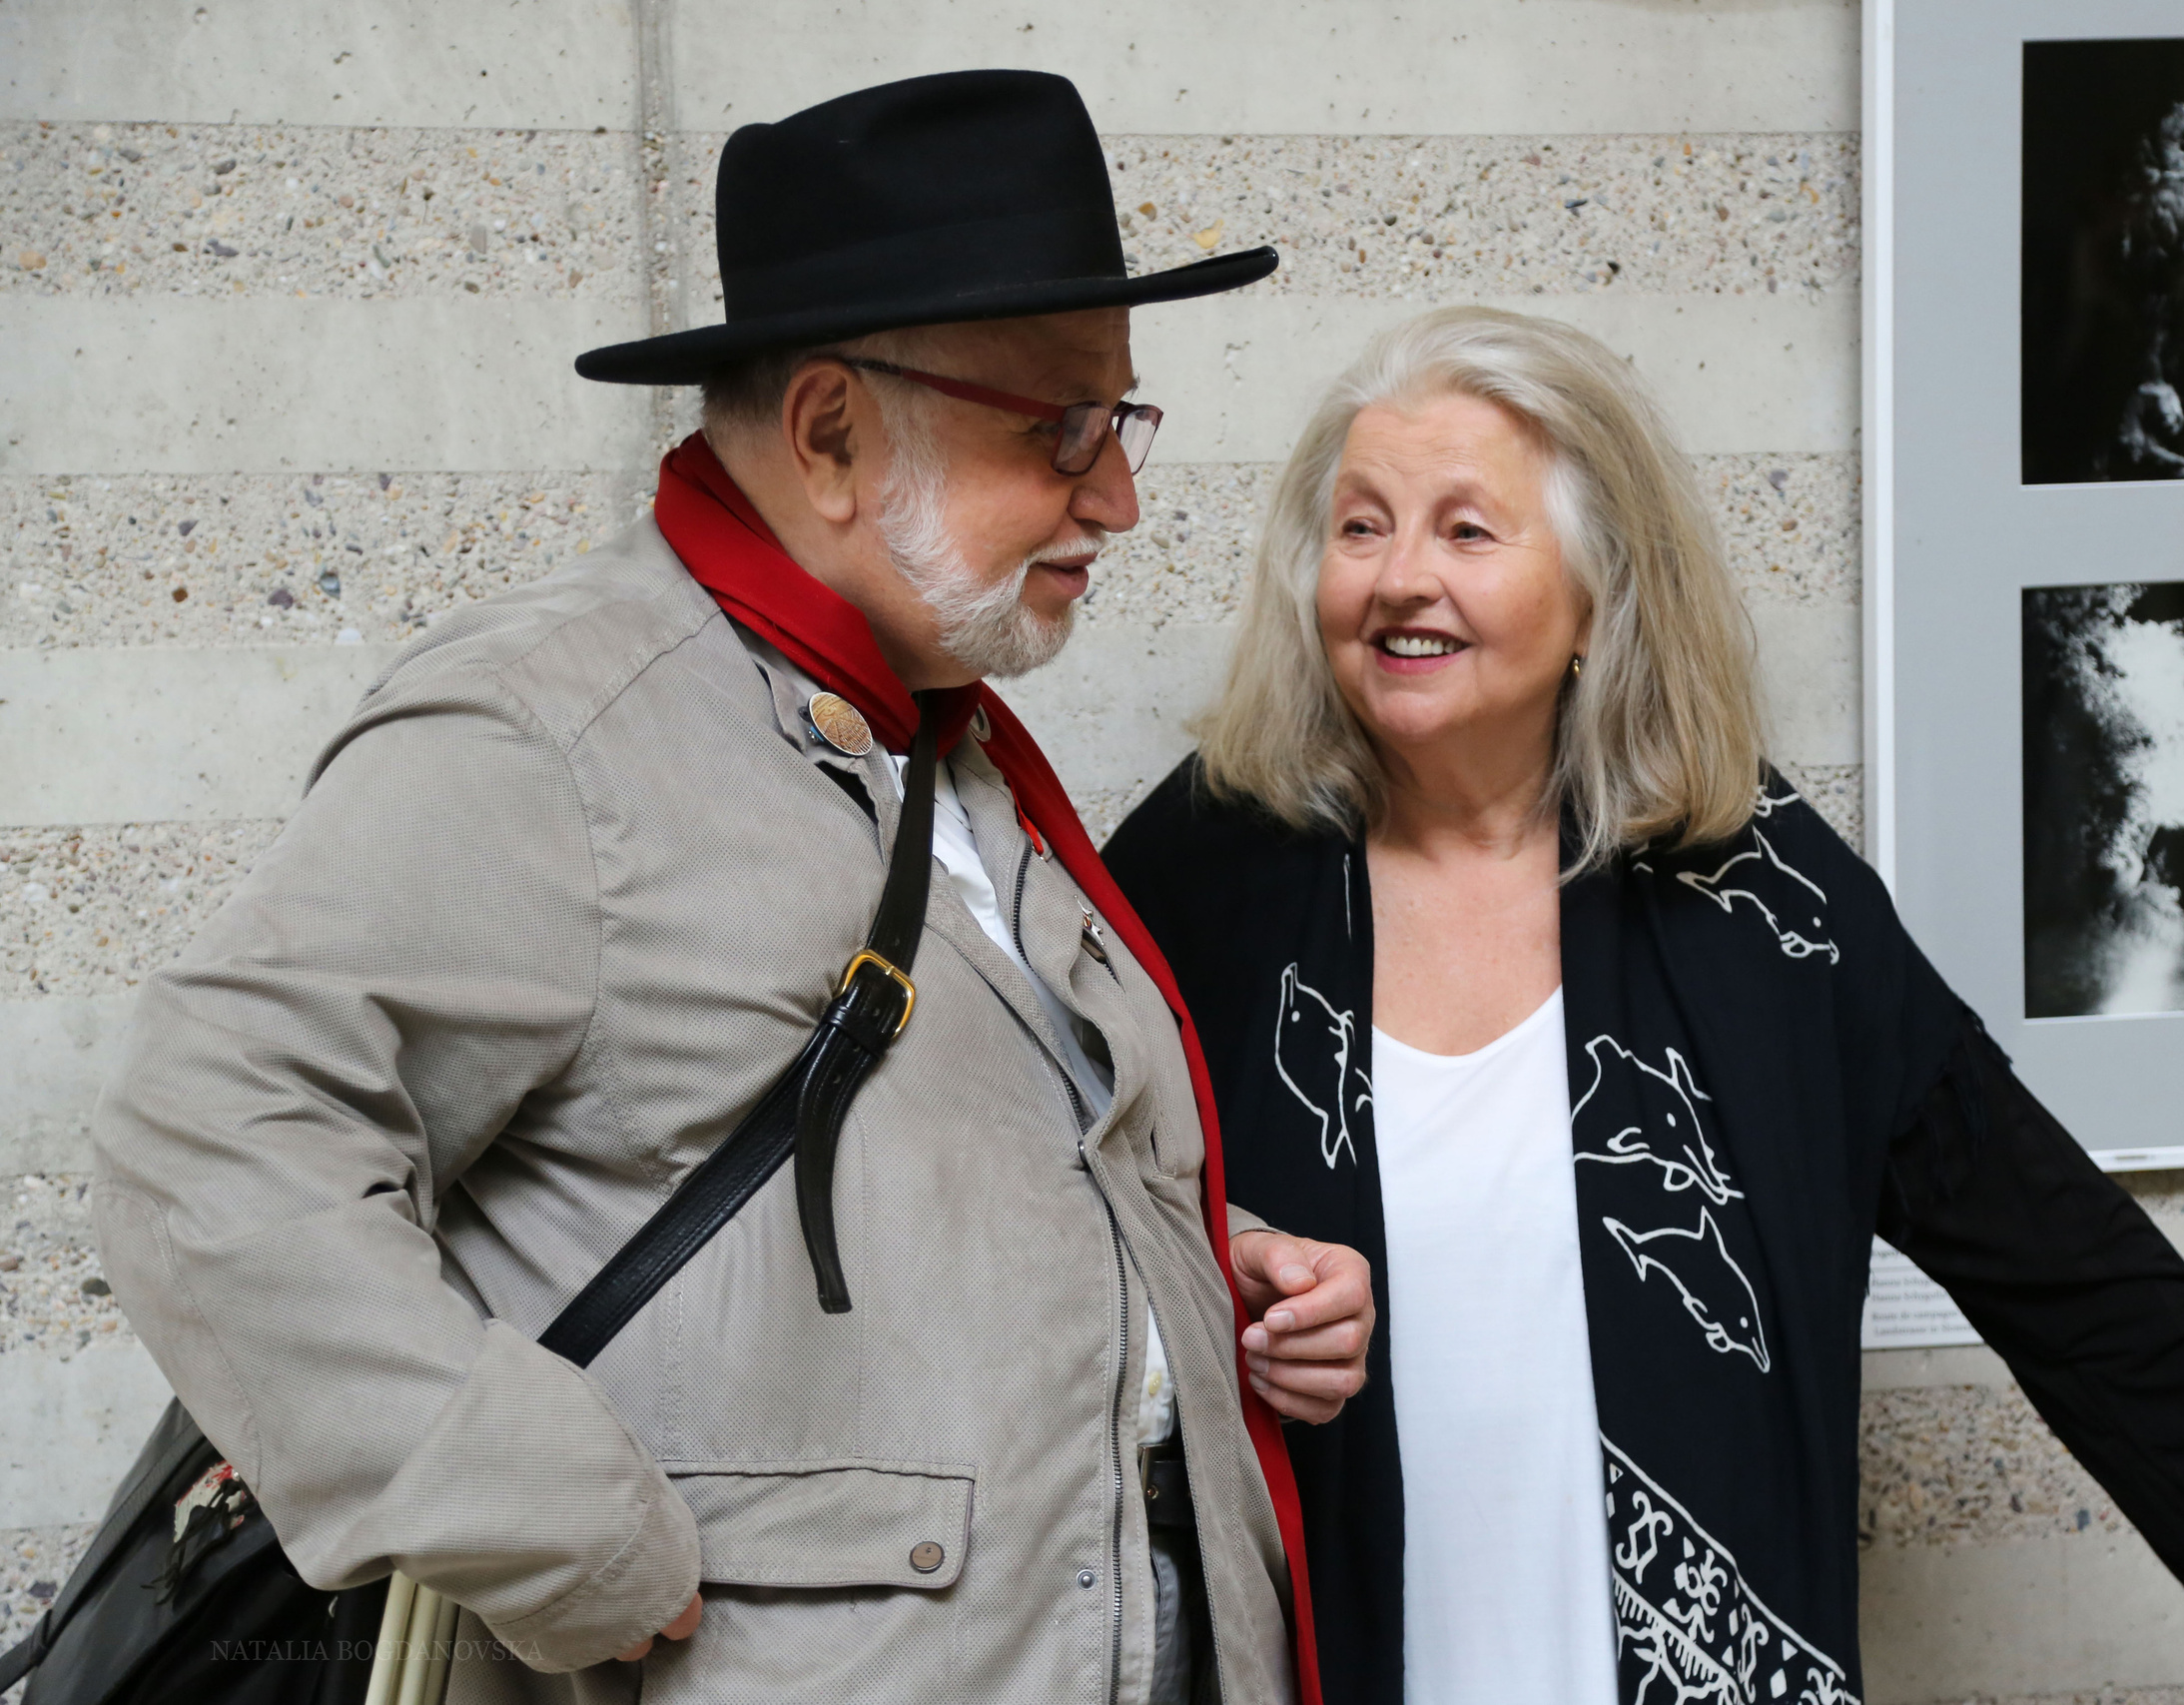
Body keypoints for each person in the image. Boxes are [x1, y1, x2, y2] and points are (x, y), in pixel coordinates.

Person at [90, 72, 1372, 1705]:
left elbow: (894, 1170)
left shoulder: (941, 738)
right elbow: (205, 1149)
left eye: (1121, 422)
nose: (1116, 494)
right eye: (1059, 426)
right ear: (833, 430)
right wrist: (553, 1526)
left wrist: (1196, 1272)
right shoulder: (554, 728)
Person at [1102, 307, 2184, 1705]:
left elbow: (2038, 1233)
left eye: (1467, 531)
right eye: (1361, 528)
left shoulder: (1759, 894)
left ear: (1597, 594)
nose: (1395, 580)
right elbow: (1065, 1249)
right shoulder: (1201, 877)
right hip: (1325, 1645)